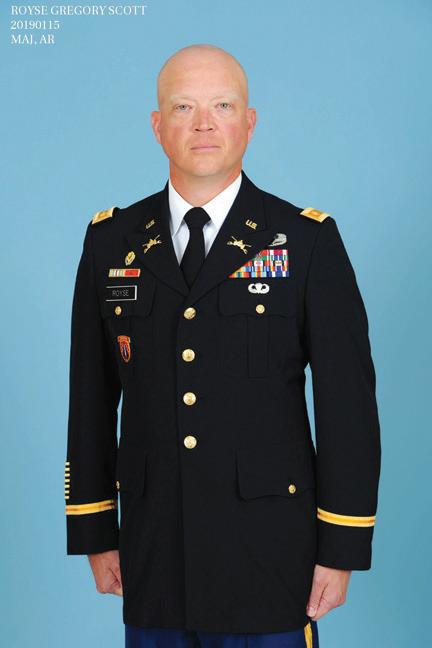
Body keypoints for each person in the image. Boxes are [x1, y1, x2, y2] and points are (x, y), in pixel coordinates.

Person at [65, 44, 381, 648]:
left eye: (223, 106)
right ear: (158, 126)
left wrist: (341, 546)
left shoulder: (305, 241)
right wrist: (95, 530)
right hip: (154, 553)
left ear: (250, 122)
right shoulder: (110, 242)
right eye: (184, 107)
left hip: (271, 555)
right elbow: (91, 397)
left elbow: (348, 408)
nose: (204, 124)